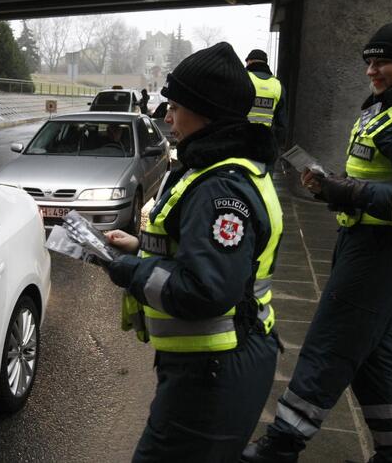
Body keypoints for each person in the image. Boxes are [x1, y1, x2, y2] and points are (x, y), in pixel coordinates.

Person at [242, 21, 392, 463]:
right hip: (363, 241)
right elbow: (378, 177)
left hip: (384, 252)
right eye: (369, 63)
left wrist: (346, 192)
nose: (372, 72)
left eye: (382, 63)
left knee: (330, 342)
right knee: (378, 354)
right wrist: (335, 185)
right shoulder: (391, 105)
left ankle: (280, 445)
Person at [102, 42, 284, 462]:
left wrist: (132, 270)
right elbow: (198, 254)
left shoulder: (218, 187)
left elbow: (206, 290)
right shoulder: (216, 168)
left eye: (176, 106)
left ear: (207, 113)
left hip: (214, 372)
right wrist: (140, 247)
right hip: (214, 364)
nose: (167, 116)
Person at [245, 49, 288, 148]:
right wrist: (277, 146)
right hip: (266, 142)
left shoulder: (242, 79)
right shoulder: (278, 85)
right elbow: (281, 123)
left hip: (242, 140)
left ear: (250, 61)